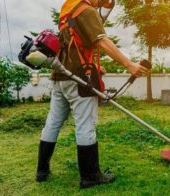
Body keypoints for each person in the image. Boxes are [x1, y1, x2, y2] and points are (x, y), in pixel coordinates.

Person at [36, 0, 149, 189]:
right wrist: (130, 65)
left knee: (53, 123)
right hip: (78, 79)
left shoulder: (67, 13)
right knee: (85, 125)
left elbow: (71, 47)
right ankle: (90, 176)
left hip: (59, 76)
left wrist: (95, 67)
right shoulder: (86, 11)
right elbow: (102, 40)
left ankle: (42, 170)